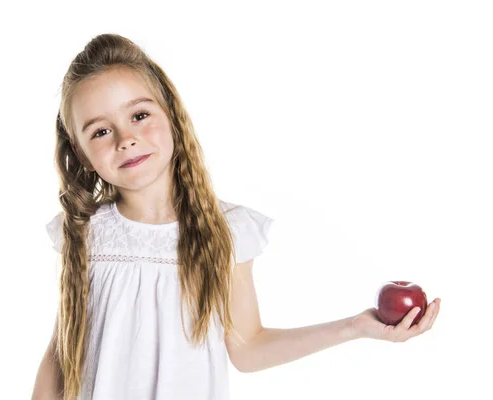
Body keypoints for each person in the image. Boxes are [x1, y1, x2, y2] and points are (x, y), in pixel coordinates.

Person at [31, 33, 441, 400]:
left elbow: (247, 349)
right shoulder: (86, 234)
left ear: (171, 114)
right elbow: (61, 354)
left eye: (139, 115)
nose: (126, 138)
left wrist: (356, 326)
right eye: (100, 131)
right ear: (81, 154)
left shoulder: (225, 231)